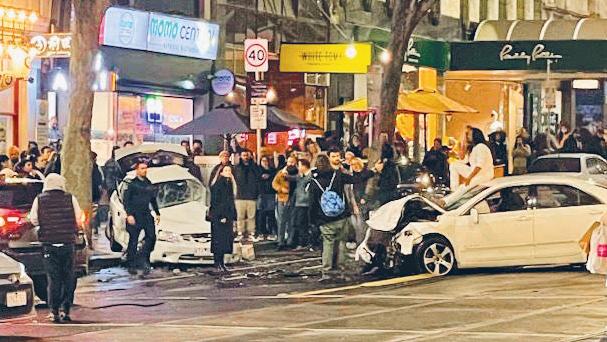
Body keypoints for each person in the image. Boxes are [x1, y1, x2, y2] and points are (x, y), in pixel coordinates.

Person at [309, 154, 382, 282]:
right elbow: (356, 179)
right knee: (341, 243)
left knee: (328, 244)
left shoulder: (314, 181)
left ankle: (327, 271)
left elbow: (312, 203)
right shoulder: (337, 175)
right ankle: (340, 270)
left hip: (324, 218)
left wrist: (313, 221)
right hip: (341, 215)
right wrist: (373, 171)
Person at [30, 174, 82, 323]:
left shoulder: (39, 199)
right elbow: (78, 218)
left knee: (53, 279)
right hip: (67, 243)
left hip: (49, 244)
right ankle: (66, 309)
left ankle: (53, 310)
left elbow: (34, 219)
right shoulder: (70, 198)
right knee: (68, 277)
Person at [123, 162, 160, 276]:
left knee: (151, 236)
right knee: (133, 240)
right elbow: (126, 200)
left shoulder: (148, 183)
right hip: (134, 214)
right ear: (137, 170)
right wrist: (129, 214)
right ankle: (131, 264)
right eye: (142, 168)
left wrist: (157, 213)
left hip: (146, 214)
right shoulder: (132, 184)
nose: (145, 170)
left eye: (145, 168)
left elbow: (153, 199)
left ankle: (144, 258)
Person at [209, 165, 237, 274]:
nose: (228, 172)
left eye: (229, 170)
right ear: (221, 172)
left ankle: (222, 263)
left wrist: (233, 216)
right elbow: (216, 202)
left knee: (225, 240)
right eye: (226, 170)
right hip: (219, 216)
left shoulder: (229, 183)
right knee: (219, 240)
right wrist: (221, 216)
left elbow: (230, 201)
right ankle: (218, 262)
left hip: (227, 216)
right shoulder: (219, 184)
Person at [233, 150, 260, 241]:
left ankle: (251, 233)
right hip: (240, 195)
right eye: (244, 155)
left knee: (251, 216)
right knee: (240, 216)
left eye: (247, 155)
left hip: (252, 196)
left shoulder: (255, 167)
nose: (245, 157)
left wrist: (256, 192)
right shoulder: (236, 168)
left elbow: (258, 180)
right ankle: (240, 232)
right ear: (240, 156)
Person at [272, 155, 298, 249]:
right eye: (289, 161)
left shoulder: (298, 172)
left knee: (292, 221)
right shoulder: (281, 173)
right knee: (281, 221)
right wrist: (281, 189)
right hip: (283, 199)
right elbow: (274, 183)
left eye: (293, 162)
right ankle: (280, 241)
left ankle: (290, 241)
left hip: (294, 199)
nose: (291, 163)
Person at [287, 158, 312, 249]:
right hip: (299, 203)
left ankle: (304, 243)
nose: (298, 167)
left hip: (305, 203)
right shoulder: (300, 176)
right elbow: (290, 177)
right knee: (299, 223)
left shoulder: (310, 176)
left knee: (303, 223)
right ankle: (302, 242)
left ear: (304, 166)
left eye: (299, 165)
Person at [257, 156, 277, 240]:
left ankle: (271, 232)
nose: (265, 162)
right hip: (261, 194)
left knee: (271, 214)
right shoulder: (258, 170)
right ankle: (262, 232)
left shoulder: (273, 171)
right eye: (263, 160)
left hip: (270, 194)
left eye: (266, 160)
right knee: (261, 214)